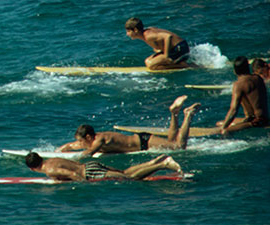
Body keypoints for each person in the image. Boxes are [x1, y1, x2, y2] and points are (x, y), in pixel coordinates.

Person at [58, 95, 200, 155]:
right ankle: (174, 113)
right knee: (170, 141)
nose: (79, 143)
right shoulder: (91, 140)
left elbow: (89, 153)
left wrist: (75, 159)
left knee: (178, 147)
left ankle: (188, 115)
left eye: (81, 140)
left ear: (88, 137)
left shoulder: (99, 140)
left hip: (144, 142)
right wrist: (61, 150)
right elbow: (71, 145)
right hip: (140, 141)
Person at [25, 152, 183, 182]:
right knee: (124, 172)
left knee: (130, 179)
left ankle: (163, 164)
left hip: (90, 173)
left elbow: (71, 174)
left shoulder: (49, 170)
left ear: (33, 168)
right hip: (90, 165)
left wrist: (84, 184)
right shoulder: (52, 159)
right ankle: (154, 161)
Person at [217, 56, 268, 134]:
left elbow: (233, 110)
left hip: (256, 122)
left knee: (225, 131)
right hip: (264, 118)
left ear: (235, 71)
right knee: (219, 122)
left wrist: (224, 127)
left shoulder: (238, 84)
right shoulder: (258, 78)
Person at [124, 17, 190, 70]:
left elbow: (168, 36)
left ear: (135, 30)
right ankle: (176, 62)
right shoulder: (146, 32)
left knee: (151, 65)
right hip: (177, 48)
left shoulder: (148, 36)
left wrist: (166, 56)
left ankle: (182, 65)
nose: (127, 34)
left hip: (180, 48)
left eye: (128, 31)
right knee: (147, 61)